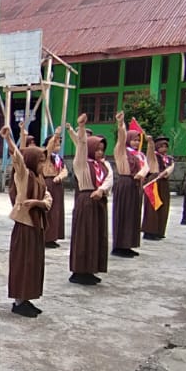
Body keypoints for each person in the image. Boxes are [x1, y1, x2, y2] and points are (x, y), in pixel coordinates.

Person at [1, 125, 52, 316]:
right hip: (25, 224)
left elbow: (48, 198)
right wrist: (8, 140)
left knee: (34, 262)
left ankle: (29, 297)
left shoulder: (40, 178)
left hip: (37, 224)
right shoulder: (24, 175)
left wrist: (38, 203)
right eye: (39, 161)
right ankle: (19, 301)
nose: (42, 165)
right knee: (23, 261)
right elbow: (18, 159)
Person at [67, 114, 113, 285]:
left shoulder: (104, 165)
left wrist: (101, 190)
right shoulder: (82, 164)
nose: (100, 152)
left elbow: (110, 179)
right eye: (97, 149)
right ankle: (80, 270)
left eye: (102, 149)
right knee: (84, 235)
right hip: (86, 201)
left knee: (96, 235)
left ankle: (92, 268)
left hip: (99, 201)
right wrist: (80, 127)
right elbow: (81, 146)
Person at [111, 112, 147, 258]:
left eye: (138, 140)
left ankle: (129, 244)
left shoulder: (139, 154)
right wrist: (121, 124)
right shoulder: (121, 151)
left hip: (136, 185)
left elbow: (147, 166)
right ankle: (120, 245)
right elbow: (121, 139)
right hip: (125, 183)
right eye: (134, 140)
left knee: (133, 215)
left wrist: (142, 173)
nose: (136, 143)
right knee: (124, 214)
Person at [141, 135, 176, 241]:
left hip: (164, 182)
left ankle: (160, 230)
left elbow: (172, 167)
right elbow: (150, 151)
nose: (164, 149)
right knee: (153, 206)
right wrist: (150, 143)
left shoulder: (169, 159)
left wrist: (167, 172)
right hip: (154, 181)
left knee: (164, 205)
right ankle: (150, 231)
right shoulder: (153, 156)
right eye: (161, 146)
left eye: (165, 147)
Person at [41, 128, 69, 248]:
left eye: (59, 145)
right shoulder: (45, 156)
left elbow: (64, 170)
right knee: (49, 211)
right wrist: (56, 134)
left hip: (57, 184)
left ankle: (53, 236)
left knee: (57, 211)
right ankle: (46, 237)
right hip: (48, 182)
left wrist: (60, 176)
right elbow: (50, 147)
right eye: (55, 144)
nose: (57, 147)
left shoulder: (58, 159)